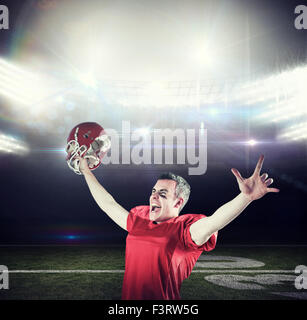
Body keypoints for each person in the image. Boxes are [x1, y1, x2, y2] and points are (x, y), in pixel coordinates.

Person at [77, 154, 279, 299]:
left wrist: (245, 198)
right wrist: (86, 171)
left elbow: (215, 220)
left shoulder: (185, 230)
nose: (153, 196)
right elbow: (108, 204)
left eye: (162, 193)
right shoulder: (140, 218)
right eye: (154, 191)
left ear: (178, 202)